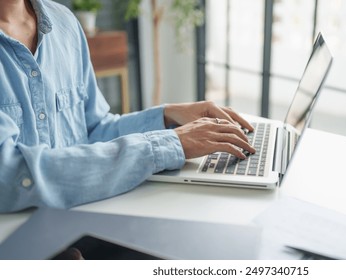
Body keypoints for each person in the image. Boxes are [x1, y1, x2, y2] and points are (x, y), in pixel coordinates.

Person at [0, 0, 255, 213]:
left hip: (89, 217)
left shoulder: (64, 23)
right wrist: (167, 144)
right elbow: (11, 174)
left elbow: (92, 130)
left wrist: (167, 116)